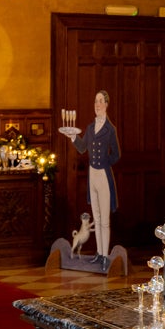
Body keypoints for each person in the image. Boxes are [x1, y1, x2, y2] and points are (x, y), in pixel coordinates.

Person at [62, 90, 120, 258]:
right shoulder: (90, 127)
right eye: (95, 101)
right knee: (96, 216)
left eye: (100, 101)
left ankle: (105, 255)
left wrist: (104, 162)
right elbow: (82, 147)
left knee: (104, 221)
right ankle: (98, 253)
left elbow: (116, 155)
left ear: (106, 105)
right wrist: (73, 137)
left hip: (103, 175)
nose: (97, 105)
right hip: (91, 175)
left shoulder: (110, 130)